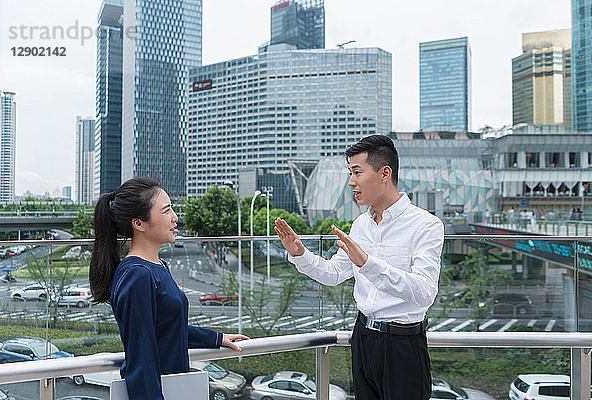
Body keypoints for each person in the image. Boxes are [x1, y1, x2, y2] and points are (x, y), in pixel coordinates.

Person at [274, 135, 444, 400]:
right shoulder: (360, 225)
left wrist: (368, 264)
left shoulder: (426, 225)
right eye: (349, 173)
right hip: (362, 336)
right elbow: (333, 274)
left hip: (403, 344)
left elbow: (424, 292)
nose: (351, 182)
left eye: (357, 172)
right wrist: (300, 254)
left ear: (385, 173)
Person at [89, 177, 248, 400]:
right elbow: (141, 358)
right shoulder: (137, 275)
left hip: (175, 385)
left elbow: (164, 328)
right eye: (166, 211)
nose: (175, 218)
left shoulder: (157, 266)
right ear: (139, 224)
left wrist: (215, 338)